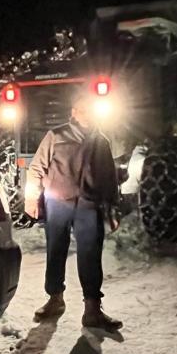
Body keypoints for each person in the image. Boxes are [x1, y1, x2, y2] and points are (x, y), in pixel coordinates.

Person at [24, 90, 123, 330]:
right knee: (56, 251)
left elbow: (109, 178)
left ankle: (92, 309)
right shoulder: (56, 135)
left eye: (91, 110)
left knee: (90, 254)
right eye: (83, 110)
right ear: (74, 113)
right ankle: (54, 299)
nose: (88, 114)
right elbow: (36, 168)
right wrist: (31, 198)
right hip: (58, 203)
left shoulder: (101, 141)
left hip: (89, 205)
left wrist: (112, 207)